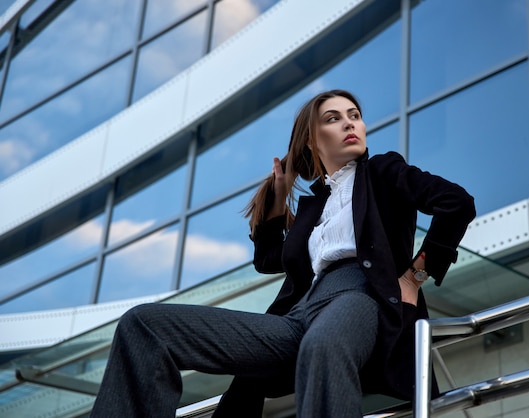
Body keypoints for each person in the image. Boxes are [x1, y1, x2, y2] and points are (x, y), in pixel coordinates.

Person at [90, 89, 475, 418]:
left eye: (354, 116)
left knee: (324, 345)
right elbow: (269, 259)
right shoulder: (314, 207)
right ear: (312, 139)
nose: (349, 124)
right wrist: (277, 198)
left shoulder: (383, 172)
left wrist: (414, 277)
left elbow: (456, 203)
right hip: (299, 315)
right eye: (333, 118)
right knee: (144, 325)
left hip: (361, 296)